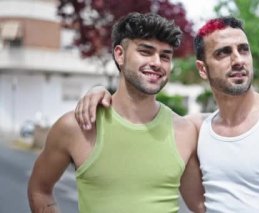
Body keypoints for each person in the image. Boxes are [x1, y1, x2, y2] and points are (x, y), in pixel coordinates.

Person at [75, 16, 259, 212]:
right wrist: (101, 92)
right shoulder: (196, 129)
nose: (238, 60)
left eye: (243, 49)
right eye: (224, 53)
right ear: (203, 69)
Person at [27, 12, 204, 213]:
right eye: (146, 51)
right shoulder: (76, 127)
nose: (157, 62)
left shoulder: (184, 131)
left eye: (165, 56)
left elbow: (201, 206)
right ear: (120, 54)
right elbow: (39, 190)